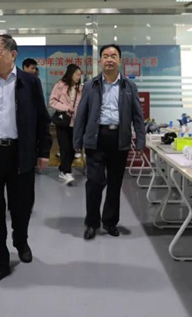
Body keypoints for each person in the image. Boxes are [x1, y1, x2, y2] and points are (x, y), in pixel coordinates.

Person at [0, 35, 51, 287]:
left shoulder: (30, 82)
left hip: (20, 153)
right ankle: (0, 260)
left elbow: (42, 119)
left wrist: (43, 151)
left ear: (13, 54)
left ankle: (20, 241)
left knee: (22, 206)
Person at [73, 44, 145, 241]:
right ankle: (92, 223)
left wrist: (140, 142)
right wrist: (77, 140)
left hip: (119, 140)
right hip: (96, 139)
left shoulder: (129, 87)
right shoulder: (90, 85)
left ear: (119, 60)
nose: (109, 59)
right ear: (100, 61)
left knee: (115, 184)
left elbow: (138, 116)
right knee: (94, 183)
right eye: (105, 56)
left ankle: (110, 222)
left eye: (113, 56)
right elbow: (81, 114)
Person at [49, 64, 83, 186]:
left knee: (73, 148)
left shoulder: (80, 89)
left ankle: (63, 169)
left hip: (75, 122)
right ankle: (66, 171)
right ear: (71, 74)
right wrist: (66, 108)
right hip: (63, 121)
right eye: (77, 74)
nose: (78, 77)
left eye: (80, 75)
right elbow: (52, 101)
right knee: (65, 147)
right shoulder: (60, 86)